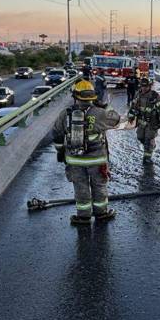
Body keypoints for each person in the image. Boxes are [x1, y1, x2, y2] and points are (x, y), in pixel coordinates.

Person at [52, 80, 121, 225]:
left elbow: (57, 133)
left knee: (80, 187)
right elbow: (116, 119)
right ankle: (101, 213)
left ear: (75, 96)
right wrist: (105, 106)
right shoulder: (100, 113)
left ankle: (83, 216)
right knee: (99, 186)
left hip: (74, 160)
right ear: (92, 97)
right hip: (97, 160)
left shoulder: (65, 114)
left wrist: (60, 151)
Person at [128, 75, 160, 162]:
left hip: (152, 122)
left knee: (148, 140)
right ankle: (151, 145)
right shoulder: (138, 94)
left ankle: (147, 158)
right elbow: (133, 106)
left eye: (146, 86)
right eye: (142, 86)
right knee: (140, 137)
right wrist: (131, 116)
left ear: (150, 86)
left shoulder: (155, 96)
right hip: (141, 121)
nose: (144, 88)